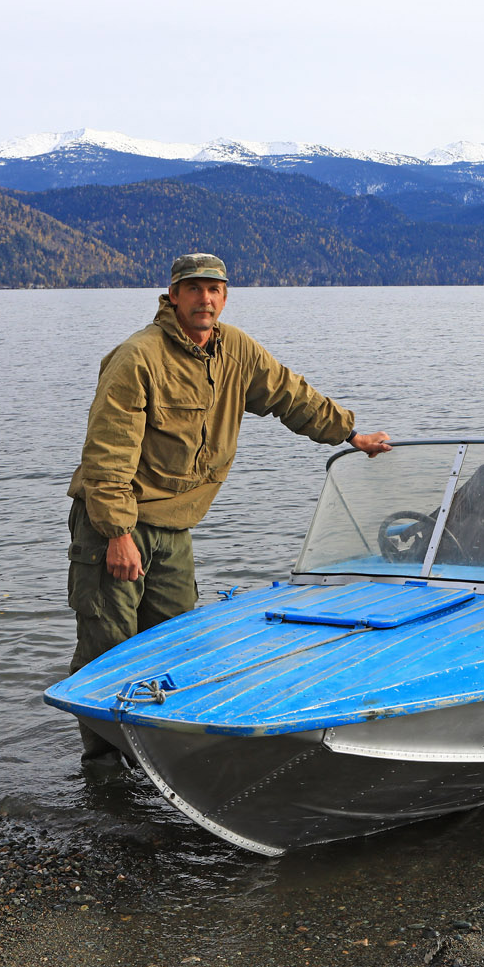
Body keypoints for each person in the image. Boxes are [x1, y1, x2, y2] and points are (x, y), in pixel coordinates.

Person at [65, 252, 391, 762]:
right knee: (108, 647)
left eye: (214, 289)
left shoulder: (235, 350)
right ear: (173, 295)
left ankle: (165, 760)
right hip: (116, 522)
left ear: (225, 296)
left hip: (174, 527)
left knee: (177, 644)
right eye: (194, 289)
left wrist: (350, 435)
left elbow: (291, 395)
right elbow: (107, 456)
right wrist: (117, 534)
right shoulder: (138, 358)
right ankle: (105, 769)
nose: (205, 299)